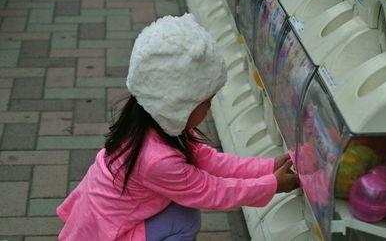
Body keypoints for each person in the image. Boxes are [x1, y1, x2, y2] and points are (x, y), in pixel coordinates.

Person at [56, 13, 299, 241]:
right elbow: (211, 191)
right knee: (185, 220)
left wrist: (268, 167)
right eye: (206, 102)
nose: (209, 110)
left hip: (103, 218)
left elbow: (210, 161)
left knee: (181, 206)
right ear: (178, 103)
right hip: (107, 234)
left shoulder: (151, 122)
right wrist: (272, 185)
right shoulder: (157, 159)